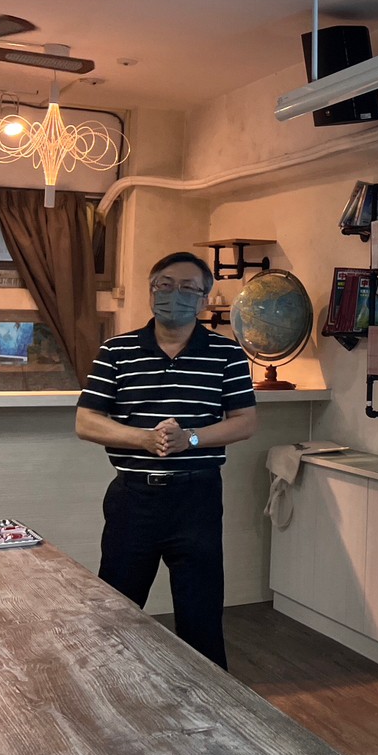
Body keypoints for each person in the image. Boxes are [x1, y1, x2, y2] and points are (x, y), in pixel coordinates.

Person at [75, 251, 257, 668]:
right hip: (133, 499)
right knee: (116, 610)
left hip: (197, 499)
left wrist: (189, 439)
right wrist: (144, 438)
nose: (175, 295)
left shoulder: (227, 354)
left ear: (204, 299)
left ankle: (210, 701)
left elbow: (245, 421)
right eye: (165, 285)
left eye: (189, 288)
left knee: (201, 614)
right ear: (151, 291)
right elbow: (86, 421)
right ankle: (110, 690)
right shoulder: (116, 350)